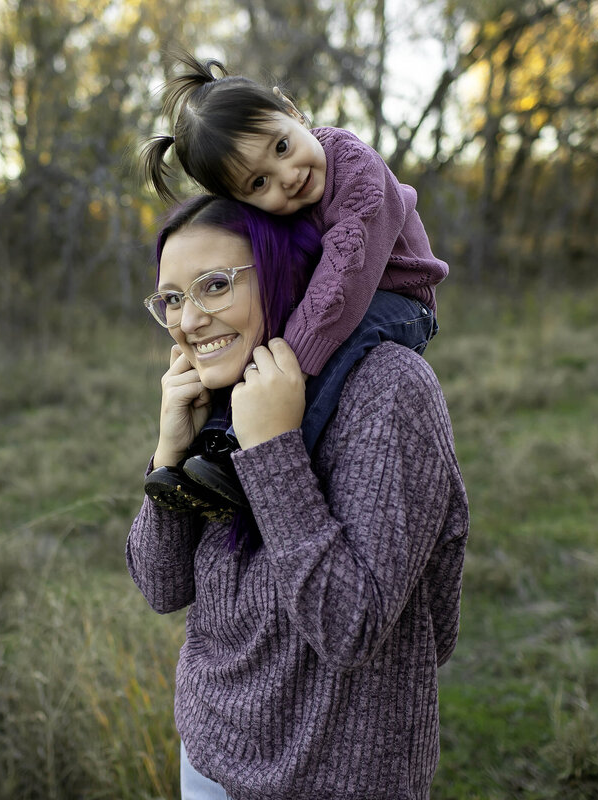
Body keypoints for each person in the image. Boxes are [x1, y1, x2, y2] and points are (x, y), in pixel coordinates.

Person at [126, 195, 469, 799]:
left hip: (343, 777)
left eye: (213, 285)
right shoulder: (223, 396)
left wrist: (275, 452)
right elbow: (161, 587)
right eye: (172, 299)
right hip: (207, 761)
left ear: (284, 270)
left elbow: (351, 629)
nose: (189, 320)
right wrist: (169, 455)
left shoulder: (387, 390)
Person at [140, 52, 448, 517]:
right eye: (259, 182)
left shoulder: (356, 167)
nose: (288, 177)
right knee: (267, 347)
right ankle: (211, 448)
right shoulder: (280, 207)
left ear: (291, 111)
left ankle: (257, 457)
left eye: (282, 147)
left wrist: (290, 367)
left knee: (311, 358)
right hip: (335, 301)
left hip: (398, 298)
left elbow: (343, 276)